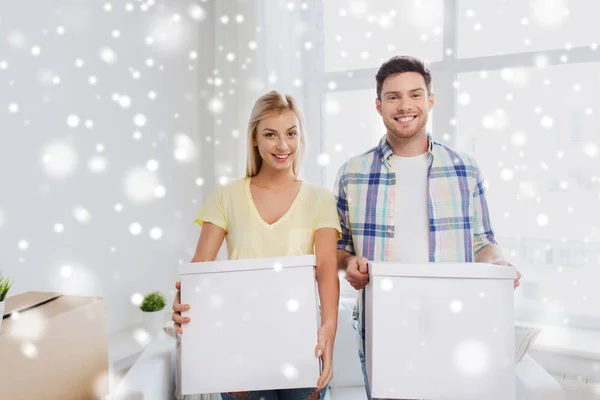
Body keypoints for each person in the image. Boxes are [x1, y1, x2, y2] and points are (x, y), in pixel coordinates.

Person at [334, 55, 521, 400]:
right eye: (393, 97)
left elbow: (484, 242)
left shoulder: (465, 169)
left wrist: (496, 264)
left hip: (454, 323)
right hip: (383, 327)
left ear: (430, 100)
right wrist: (348, 264)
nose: (405, 105)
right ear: (378, 106)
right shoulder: (352, 173)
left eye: (415, 94)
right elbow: (339, 247)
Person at [172, 90, 341, 400]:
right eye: (270, 134)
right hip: (239, 343)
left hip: (300, 341)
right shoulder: (226, 196)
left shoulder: (320, 199)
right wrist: (183, 303)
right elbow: (200, 271)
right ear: (254, 139)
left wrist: (329, 328)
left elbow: (327, 272)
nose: (282, 145)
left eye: (291, 134)